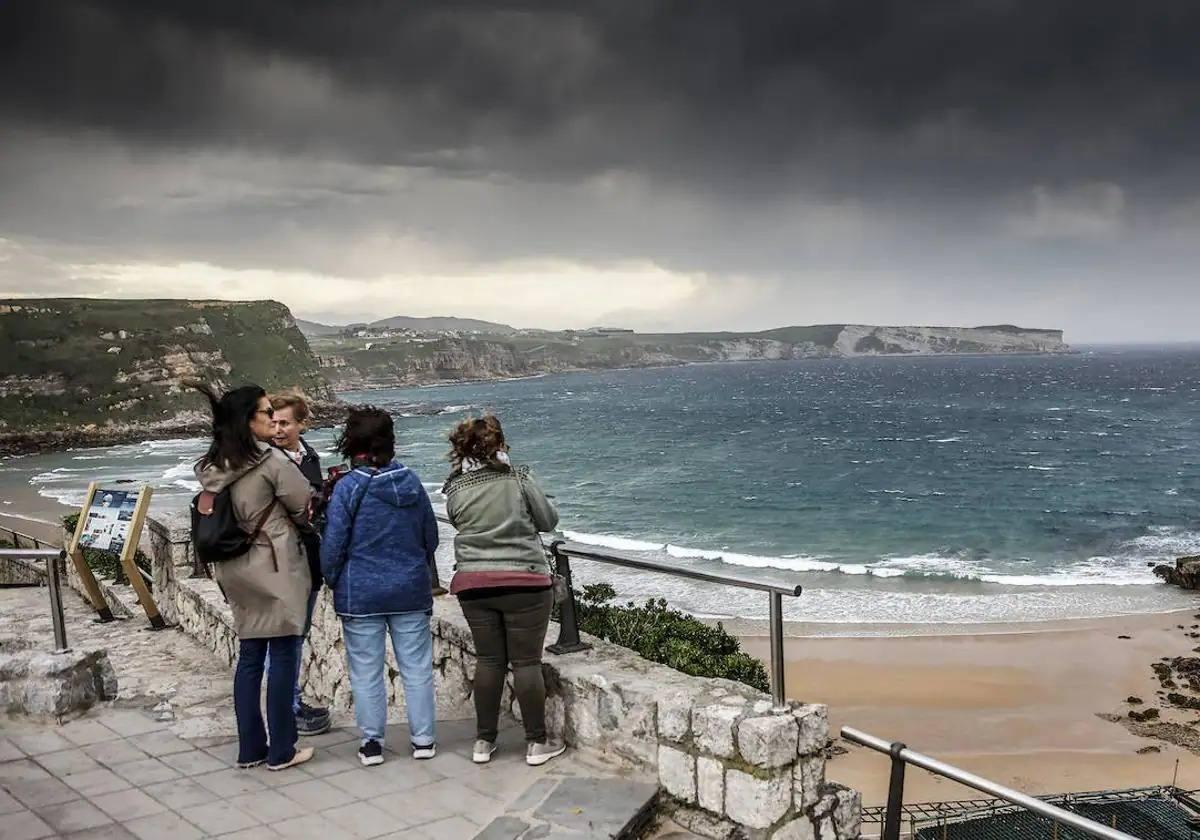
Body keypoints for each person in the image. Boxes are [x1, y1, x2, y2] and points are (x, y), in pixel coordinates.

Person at [191, 383, 315, 772]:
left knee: (249, 657)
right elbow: (304, 502)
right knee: (282, 654)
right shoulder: (270, 461)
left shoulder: (213, 465)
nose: (272, 420)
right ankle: (282, 750)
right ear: (248, 421)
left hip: (234, 568)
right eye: (265, 413)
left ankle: (250, 749)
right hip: (275, 565)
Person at [443, 415, 566, 767]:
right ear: (500, 444)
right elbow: (547, 520)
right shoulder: (518, 478)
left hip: (473, 583)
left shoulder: (455, 488)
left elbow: (456, 520)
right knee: (526, 662)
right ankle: (536, 743)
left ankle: (483, 742)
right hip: (524, 582)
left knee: (489, 661)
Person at [321, 406, 440, 767]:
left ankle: (372, 743)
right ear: (391, 441)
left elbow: (334, 543)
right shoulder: (412, 482)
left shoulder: (348, 488)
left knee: (366, 670)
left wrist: (332, 579)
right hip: (409, 588)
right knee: (417, 667)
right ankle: (423, 740)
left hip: (361, 593)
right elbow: (430, 538)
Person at [267, 391, 332, 737]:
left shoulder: (309, 456)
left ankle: (290, 704)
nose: (277, 429)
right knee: (285, 638)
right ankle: (288, 710)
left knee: (296, 635)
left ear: (301, 424)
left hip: (308, 559)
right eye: (272, 422)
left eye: (285, 423)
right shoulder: (265, 460)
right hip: (278, 561)